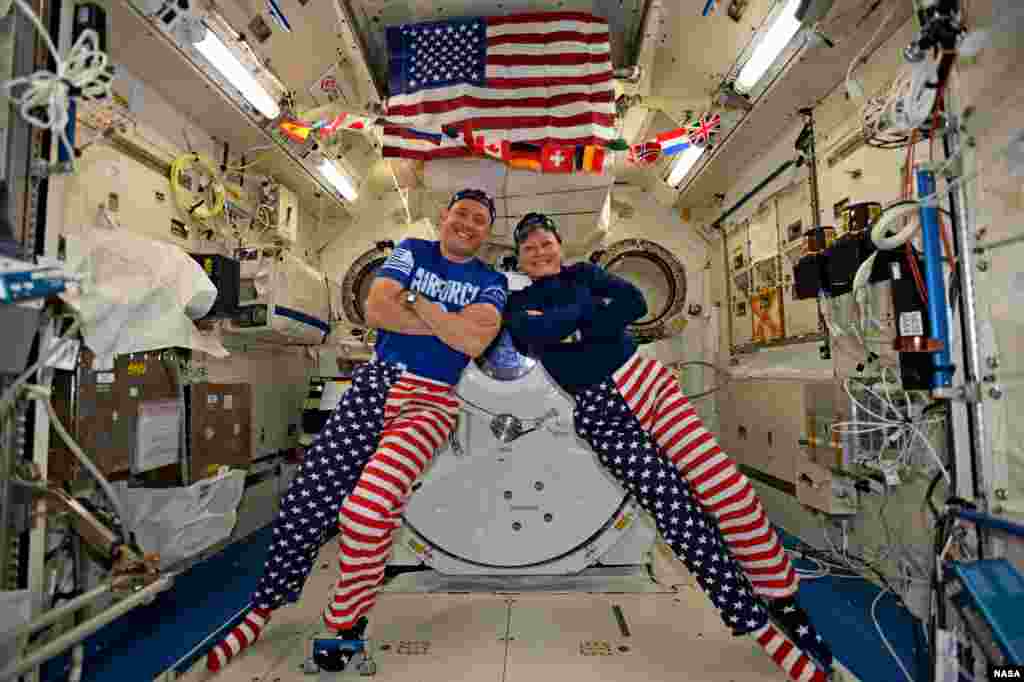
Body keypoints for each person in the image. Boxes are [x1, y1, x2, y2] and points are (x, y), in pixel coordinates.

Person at [502, 213, 839, 682]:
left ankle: (784, 601)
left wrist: (572, 321)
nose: (540, 253)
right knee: (680, 519)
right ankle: (755, 622)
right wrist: (590, 311)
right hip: (603, 413)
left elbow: (634, 303)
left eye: (546, 243)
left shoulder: (586, 274)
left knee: (729, 491)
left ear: (560, 245)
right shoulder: (518, 303)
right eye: (529, 248)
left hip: (649, 384)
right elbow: (536, 335)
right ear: (519, 257)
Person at [206, 189, 507, 672]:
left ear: (487, 232)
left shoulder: (490, 281)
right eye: (461, 214)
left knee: (365, 511)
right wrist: (447, 322)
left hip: (429, 401)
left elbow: (473, 340)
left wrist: (417, 300)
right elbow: (377, 311)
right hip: (376, 384)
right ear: (444, 217)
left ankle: (344, 618)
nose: (468, 224)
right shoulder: (413, 248)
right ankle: (261, 609)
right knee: (308, 500)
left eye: (479, 219)